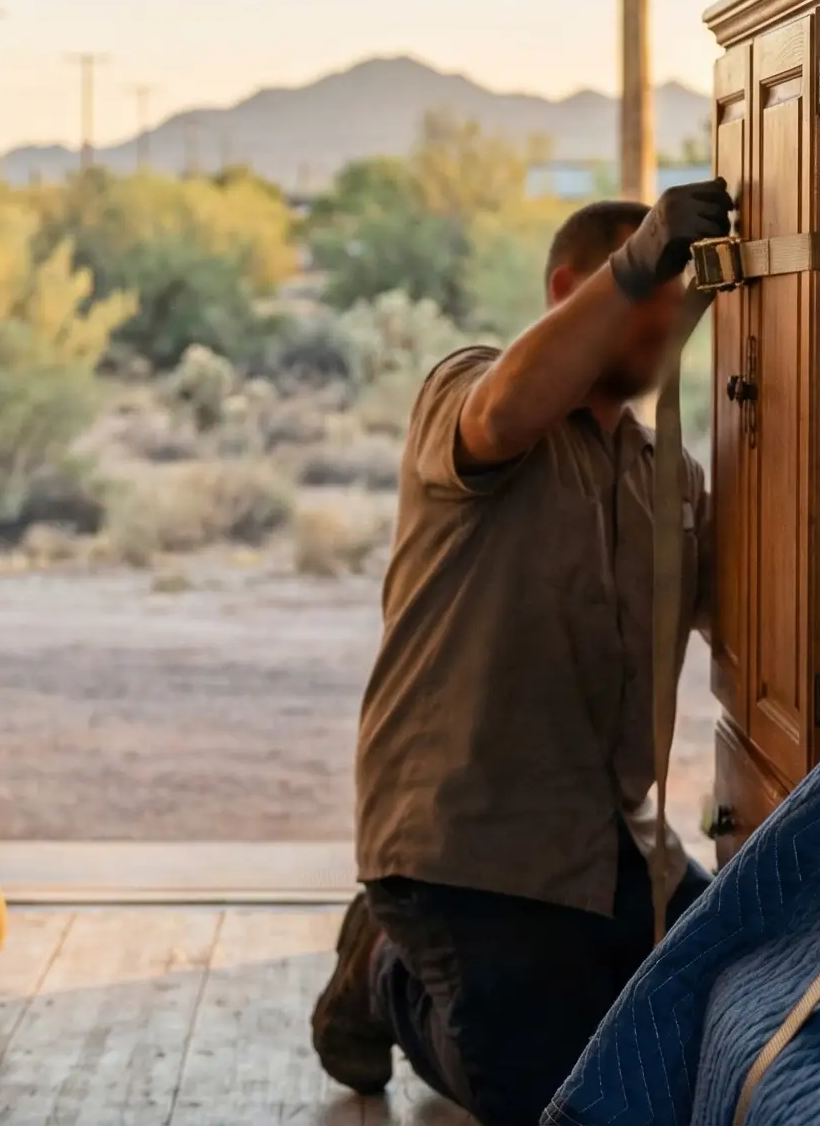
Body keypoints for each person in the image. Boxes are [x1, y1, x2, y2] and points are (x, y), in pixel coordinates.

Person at [310, 180, 736, 1124]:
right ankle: (384, 971)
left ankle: (418, 963)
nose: (662, 326)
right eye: (639, 302)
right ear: (566, 290)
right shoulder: (466, 391)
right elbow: (504, 412)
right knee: (557, 1103)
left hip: (612, 846)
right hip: (471, 849)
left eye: (676, 308)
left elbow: (737, 624)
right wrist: (645, 254)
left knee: (726, 982)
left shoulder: (668, 478)